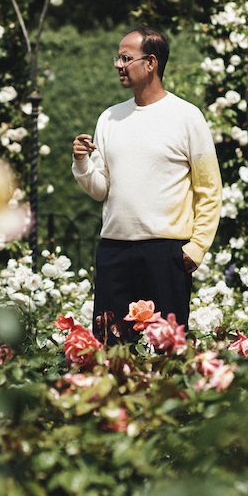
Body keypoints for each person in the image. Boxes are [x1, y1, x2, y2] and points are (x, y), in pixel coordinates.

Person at [71, 24, 222, 341]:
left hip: (165, 256)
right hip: (113, 253)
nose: (118, 65)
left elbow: (210, 190)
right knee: (111, 350)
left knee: (165, 353)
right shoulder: (109, 118)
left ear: (151, 62)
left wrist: (196, 249)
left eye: (125, 58)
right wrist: (82, 162)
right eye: (118, 58)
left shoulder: (186, 117)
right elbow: (100, 189)